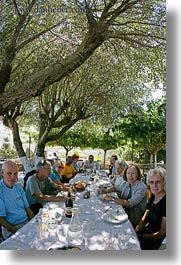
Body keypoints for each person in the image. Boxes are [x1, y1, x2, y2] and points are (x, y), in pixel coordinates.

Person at [101, 164, 147, 228]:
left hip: (133, 218)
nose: (130, 176)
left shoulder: (142, 187)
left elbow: (129, 204)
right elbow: (116, 188)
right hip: (122, 212)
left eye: (133, 173)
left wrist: (112, 198)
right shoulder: (127, 183)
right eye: (128, 173)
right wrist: (106, 191)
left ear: (138, 174)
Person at [0, 160, 34, 239]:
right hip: (12, 228)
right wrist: (18, 233)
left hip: (26, 224)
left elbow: (28, 210)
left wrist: (32, 224)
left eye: (15, 174)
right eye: (9, 173)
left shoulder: (19, 188)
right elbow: (1, 220)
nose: (13, 177)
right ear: (2, 173)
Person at [135, 167, 166, 250]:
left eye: (158, 182)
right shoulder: (153, 196)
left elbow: (162, 233)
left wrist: (144, 237)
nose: (154, 186)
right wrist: (136, 229)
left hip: (155, 240)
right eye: (151, 182)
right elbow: (145, 217)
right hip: (147, 232)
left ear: (164, 182)